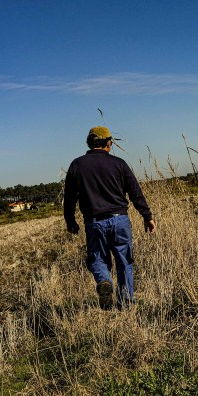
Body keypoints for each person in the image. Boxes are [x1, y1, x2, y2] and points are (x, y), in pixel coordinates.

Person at [63, 126, 156, 309]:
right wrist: (147, 216)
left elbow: (69, 199)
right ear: (108, 143)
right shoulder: (119, 163)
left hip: (94, 223)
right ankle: (126, 303)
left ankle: (104, 281)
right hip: (120, 219)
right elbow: (135, 192)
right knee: (124, 262)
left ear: (90, 143)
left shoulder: (77, 165)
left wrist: (71, 222)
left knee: (97, 259)